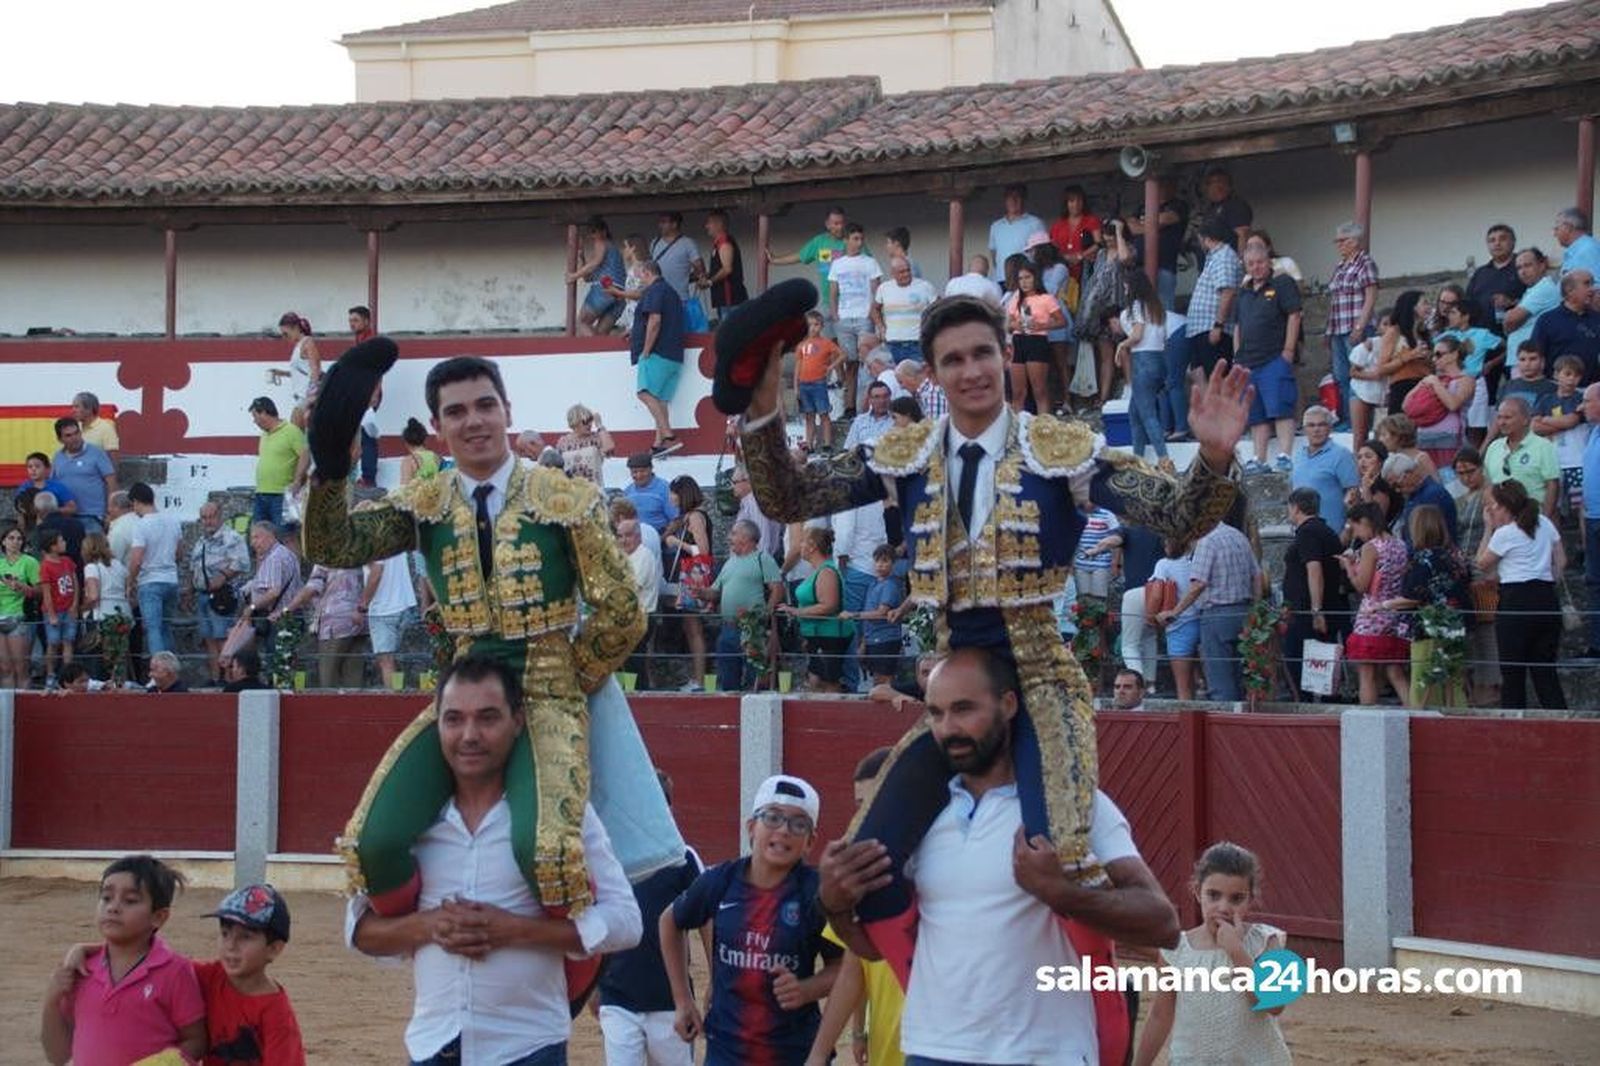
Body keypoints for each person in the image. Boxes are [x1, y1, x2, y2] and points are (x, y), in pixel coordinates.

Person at [739, 291, 1245, 918]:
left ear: (1006, 355)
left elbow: (1177, 514)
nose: (972, 370)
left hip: (1041, 679)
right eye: (953, 360)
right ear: (932, 372)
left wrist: (1215, 458)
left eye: (983, 353)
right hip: (954, 686)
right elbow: (789, 499)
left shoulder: (1060, 449)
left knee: (1061, 858)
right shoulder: (906, 453)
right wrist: (762, 415)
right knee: (864, 864)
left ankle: (1097, 1007)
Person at [306, 350, 679, 919]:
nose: (473, 420)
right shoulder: (424, 504)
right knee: (371, 845)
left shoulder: (565, 499)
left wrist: (569, 676)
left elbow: (622, 610)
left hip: (547, 691)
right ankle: (439, 950)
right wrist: (331, 467)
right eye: (456, 411)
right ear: (438, 427)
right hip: (463, 695)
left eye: (485, 405)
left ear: (507, 411)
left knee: (548, 854)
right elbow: (334, 547)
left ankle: (570, 975)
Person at [820, 648, 1178, 1066]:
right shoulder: (918, 817)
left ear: (1008, 705)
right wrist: (836, 908)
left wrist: (1063, 894)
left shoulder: (1075, 806)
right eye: (935, 713)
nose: (948, 728)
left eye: (964, 709)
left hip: (1045, 1053)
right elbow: (876, 949)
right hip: (933, 1049)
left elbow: (1163, 923)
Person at [347, 655, 643, 1065]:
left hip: (528, 1047)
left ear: (518, 721)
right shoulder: (413, 821)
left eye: (487, 718)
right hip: (433, 1045)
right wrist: (429, 925)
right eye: (453, 720)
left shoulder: (560, 814)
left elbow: (628, 922)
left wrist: (515, 930)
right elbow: (360, 933)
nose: (469, 735)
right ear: (437, 724)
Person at [662, 774, 841, 1066]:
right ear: (751, 828)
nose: (783, 831)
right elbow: (670, 921)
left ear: (810, 842)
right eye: (772, 818)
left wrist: (808, 989)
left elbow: (844, 967)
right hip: (726, 1050)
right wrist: (682, 1000)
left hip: (793, 1052)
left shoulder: (817, 893)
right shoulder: (720, 881)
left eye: (798, 824)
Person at [1133, 842, 1291, 1066]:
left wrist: (1236, 951)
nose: (1224, 907)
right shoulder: (1177, 950)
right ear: (1198, 892)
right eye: (1214, 895)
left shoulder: (1267, 940)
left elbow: (1274, 1005)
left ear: (1251, 899)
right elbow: (1160, 1016)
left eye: (1236, 898)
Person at [40, 855, 206, 1066]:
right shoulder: (82, 969)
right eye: (106, 897)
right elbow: (59, 1056)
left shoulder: (175, 971)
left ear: (159, 917)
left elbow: (197, 1040)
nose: (113, 907)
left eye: (130, 901)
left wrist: (165, 1062)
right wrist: (51, 1002)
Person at [597, 771, 705, 1066]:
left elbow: (709, 919)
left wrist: (717, 981)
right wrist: (594, 986)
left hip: (670, 1000)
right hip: (617, 997)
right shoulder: (606, 857)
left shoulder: (682, 857)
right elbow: (595, 918)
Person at [804, 748, 905, 1066]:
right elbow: (854, 968)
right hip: (886, 1048)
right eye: (861, 806)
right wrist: (825, 1050)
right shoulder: (861, 878)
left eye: (877, 801)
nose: (866, 816)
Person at [1477, 480, 1567, 709]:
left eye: (1493, 506)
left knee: (1513, 673)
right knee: (1545, 672)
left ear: (1503, 506)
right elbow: (1561, 561)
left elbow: (1482, 563)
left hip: (1516, 601)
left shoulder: (1505, 533)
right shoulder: (1544, 523)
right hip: (1546, 597)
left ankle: (1513, 728)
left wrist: (1488, 528)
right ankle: (1560, 723)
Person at [1170, 506, 1260, 703]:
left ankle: (1225, 724)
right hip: (1244, 612)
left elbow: (1198, 584)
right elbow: (1257, 576)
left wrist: (1175, 612)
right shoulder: (1238, 536)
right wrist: (1257, 609)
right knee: (1241, 675)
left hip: (1216, 615)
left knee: (1220, 679)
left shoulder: (1207, 541)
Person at [1234, 244, 1302, 474]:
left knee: (1281, 407)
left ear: (1269, 262)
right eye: (1250, 264)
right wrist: (1237, 358)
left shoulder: (1282, 283)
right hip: (1247, 362)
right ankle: (1259, 458)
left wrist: (1289, 351)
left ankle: (1284, 455)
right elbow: (1238, 327)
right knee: (1256, 414)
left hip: (1274, 357)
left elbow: (1294, 315)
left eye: (1260, 262)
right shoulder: (1243, 292)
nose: (1256, 267)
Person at [1397, 504, 1472, 707]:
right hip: (1456, 625)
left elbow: (1411, 596)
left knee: (1423, 679)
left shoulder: (1420, 560)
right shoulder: (1456, 557)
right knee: (1453, 679)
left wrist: (1382, 605)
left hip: (1428, 628)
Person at [1339, 502, 1413, 707]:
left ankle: (1367, 719)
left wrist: (1349, 566)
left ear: (1364, 522)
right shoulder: (1399, 544)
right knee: (1395, 671)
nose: (1357, 535)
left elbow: (1361, 585)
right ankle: (1415, 714)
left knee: (1367, 672)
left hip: (1372, 615)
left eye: (1355, 528)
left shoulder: (1370, 547)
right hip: (1395, 611)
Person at [1281, 488, 1349, 700]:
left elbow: (1314, 569)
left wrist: (1316, 610)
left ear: (1296, 507)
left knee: (1300, 663)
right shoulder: (1326, 531)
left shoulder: (1307, 532)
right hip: (1323, 607)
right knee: (1322, 667)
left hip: (1307, 612)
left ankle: (1308, 707)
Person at [706, 519, 784, 693]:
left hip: (752, 628)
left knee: (754, 680)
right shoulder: (729, 563)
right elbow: (714, 592)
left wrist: (765, 613)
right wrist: (699, 592)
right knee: (727, 680)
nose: (728, 537)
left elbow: (777, 589)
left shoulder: (763, 558)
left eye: (733, 533)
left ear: (745, 537)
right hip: (728, 628)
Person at [1451, 448, 1502, 705]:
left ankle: (1489, 689)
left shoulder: (1491, 494)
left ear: (1481, 468)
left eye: (1470, 471)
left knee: (1487, 632)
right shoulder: (1463, 496)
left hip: (1486, 568)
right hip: (1468, 569)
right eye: (1460, 473)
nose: (1466, 478)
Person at [1184, 218, 1244, 426]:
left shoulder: (1225, 256)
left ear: (1206, 238)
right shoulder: (1214, 257)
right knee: (1198, 372)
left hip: (1212, 327)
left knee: (1217, 375)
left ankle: (1223, 422)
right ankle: (1210, 418)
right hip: (1200, 327)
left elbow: (1227, 291)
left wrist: (1218, 325)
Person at [780, 526, 853, 694]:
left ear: (812, 546)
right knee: (815, 680)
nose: (800, 546)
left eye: (802, 542)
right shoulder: (817, 570)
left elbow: (829, 605)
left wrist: (797, 612)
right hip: (817, 635)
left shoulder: (826, 571)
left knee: (828, 681)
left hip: (829, 635)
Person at [188, 500, 250, 686]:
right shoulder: (201, 541)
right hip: (202, 595)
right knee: (209, 639)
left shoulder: (231, 537)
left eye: (211, 517)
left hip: (222, 595)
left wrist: (223, 576)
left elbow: (243, 563)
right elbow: (195, 568)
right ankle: (216, 678)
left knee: (223, 638)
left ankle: (229, 679)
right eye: (204, 518)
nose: (208, 521)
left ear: (219, 516)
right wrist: (189, 591)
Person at [1326, 221, 1380, 428]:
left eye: (1341, 241)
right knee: (1341, 376)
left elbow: (1371, 294)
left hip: (1355, 327)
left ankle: (1361, 422)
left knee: (1358, 375)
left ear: (1354, 241)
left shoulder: (1365, 263)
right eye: (1337, 241)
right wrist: (1328, 333)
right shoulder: (1340, 266)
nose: (1338, 245)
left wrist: (1360, 326)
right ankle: (1349, 420)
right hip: (1338, 329)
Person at [632, 259, 689, 455]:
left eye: (640, 274)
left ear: (647, 272)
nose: (639, 278)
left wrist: (646, 349)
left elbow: (655, 320)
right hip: (675, 354)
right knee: (660, 399)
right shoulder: (670, 292)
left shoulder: (655, 291)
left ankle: (669, 436)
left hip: (658, 352)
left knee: (644, 393)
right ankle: (659, 443)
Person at [663, 476, 712, 691]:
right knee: (690, 627)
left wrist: (676, 542)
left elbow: (702, 551)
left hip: (694, 573)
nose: (670, 497)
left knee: (693, 629)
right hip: (691, 573)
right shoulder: (688, 517)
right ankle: (697, 677)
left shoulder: (695, 517)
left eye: (673, 493)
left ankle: (699, 680)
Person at [1114, 269, 1169, 462]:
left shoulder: (1136, 306)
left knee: (1146, 414)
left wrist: (1122, 344)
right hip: (1159, 359)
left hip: (1142, 360)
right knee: (1135, 413)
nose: (1125, 289)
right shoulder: (1156, 307)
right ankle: (1138, 458)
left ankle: (1164, 459)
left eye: (1126, 285)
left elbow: (1137, 336)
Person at [829, 222, 883, 414]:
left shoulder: (870, 262)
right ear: (846, 240)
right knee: (850, 363)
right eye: (855, 238)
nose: (859, 243)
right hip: (844, 318)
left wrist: (874, 314)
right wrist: (835, 314)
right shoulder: (838, 263)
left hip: (863, 317)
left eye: (861, 238)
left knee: (868, 363)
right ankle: (849, 407)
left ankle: (869, 406)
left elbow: (877, 290)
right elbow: (833, 290)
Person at [287, 564, 367, 689]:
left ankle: (331, 707)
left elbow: (312, 588)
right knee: (353, 680)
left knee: (328, 679)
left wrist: (287, 609)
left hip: (333, 623)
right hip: (359, 621)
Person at [125, 482, 183, 656]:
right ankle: (171, 668)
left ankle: (157, 670)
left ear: (136, 501)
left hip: (150, 581)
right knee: (166, 627)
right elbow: (180, 554)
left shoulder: (141, 525)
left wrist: (130, 581)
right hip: (171, 579)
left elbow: (136, 559)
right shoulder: (173, 521)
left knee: (153, 629)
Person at [1534, 354, 1592, 519]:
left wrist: (1545, 419)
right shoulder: (1546, 400)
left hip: (1577, 461)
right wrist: (1555, 424)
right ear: (1556, 374)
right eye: (1567, 374)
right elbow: (1534, 427)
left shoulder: (1581, 398)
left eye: (1576, 375)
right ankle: (1555, 544)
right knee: (1553, 507)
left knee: (1582, 507)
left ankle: (1585, 544)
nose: (1571, 379)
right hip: (1553, 462)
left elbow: (1571, 421)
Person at [1484, 395, 1561, 518]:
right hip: (1503, 524)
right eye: (1499, 417)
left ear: (1525, 420)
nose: (1501, 422)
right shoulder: (1494, 447)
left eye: (1507, 418)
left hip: (1534, 520)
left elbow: (1552, 485)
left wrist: (1545, 520)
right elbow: (1488, 486)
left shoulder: (1543, 446)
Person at [842, 543, 905, 686]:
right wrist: (864, 644)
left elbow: (880, 613)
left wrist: (853, 615)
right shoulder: (873, 584)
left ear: (893, 564)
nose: (880, 565)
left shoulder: (890, 585)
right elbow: (869, 618)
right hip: (873, 640)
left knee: (883, 683)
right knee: (876, 684)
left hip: (886, 640)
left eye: (885, 561)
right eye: (877, 561)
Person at [768, 206, 848, 312]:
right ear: (828, 225)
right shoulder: (819, 242)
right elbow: (800, 256)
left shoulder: (851, 240)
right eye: (836, 224)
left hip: (850, 303)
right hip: (828, 303)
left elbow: (868, 264)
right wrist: (775, 260)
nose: (840, 227)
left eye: (842, 223)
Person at [1291, 405, 1358, 532]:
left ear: (1330, 428)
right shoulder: (1298, 455)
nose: (1316, 429)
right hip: (1303, 533)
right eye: (1311, 425)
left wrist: (1348, 530)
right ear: (1304, 430)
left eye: (1321, 425)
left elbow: (1353, 495)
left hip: (1332, 532)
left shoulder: (1341, 455)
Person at [1125, 174, 1187, 309]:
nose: (1162, 187)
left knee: (1163, 310)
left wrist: (1143, 223)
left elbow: (1165, 219)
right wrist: (1153, 226)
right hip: (1139, 267)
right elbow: (1129, 226)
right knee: (1138, 309)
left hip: (1164, 267)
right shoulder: (1143, 206)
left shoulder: (1178, 205)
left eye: (1166, 184)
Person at [1151, 537, 1201, 700]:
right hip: (1203, 620)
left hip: (1179, 625)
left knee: (1183, 687)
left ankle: (1187, 722)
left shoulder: (1163, 564)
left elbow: (1157, 594)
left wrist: (1151, 618)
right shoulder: (1198, 561)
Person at [361, 551, 418, 691]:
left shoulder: (372, 541)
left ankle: (393, 701)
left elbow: (376, 572)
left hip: (384, 608)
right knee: (400, 660)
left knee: (386, 661)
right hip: (405, 603)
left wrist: (363, 604)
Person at [249, 397, 308, 529]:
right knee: (260, 533)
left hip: (280, 495)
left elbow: (305, 455)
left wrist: (297, 480)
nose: (254, 421)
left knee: (284, 535)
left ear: (264, 413)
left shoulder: (291, 431)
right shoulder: (264, 435)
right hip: (261, 493)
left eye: (255, 416)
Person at [1531, 269, 1600, 381]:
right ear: (1569, 289)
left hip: (1592, 392)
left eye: (1593, 284)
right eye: (1587, 283)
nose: (1593, 289)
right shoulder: (1547, 320)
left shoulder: (1598, 319)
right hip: (1557, 391)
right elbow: (1536, 356)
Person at [52, 417, 117, 534]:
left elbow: (111, 481)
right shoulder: (57, 457)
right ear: (60, 439)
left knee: (93, 551)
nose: (74, 438)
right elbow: (53, 485)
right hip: (66, 517)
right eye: (68, 435)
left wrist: (110, 512)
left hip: (92, 516)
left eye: (76, 433)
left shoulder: (96, 453)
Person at [794, 310, 845, 452]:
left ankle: (826, 444)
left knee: (823, 414)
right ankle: (809, 444)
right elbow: (798, 366)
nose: (813, 328)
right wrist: (796, 386)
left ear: (821, 326)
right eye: (810, 325)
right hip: (804, 384)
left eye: (816, 324)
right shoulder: (801, 345)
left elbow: (842, 355)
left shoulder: (826, 343)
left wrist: (831, 367)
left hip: (818, 383)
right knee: (809, 416)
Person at [1384, 451, 1458, 549]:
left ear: (1408, 474)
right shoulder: (1414, 496)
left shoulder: (1432, 495)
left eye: (1397, 485)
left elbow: (1427, 539)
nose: (1397, 490)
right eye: (1393, 488)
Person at [568, 216, 626, 336]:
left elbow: (595, 263)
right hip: (620, 295)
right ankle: (598, 351)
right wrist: (580, 254)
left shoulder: (601, 243)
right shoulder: (613, 251)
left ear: (604, 232)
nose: (592, 236)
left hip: (604, 290)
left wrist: (574, 276)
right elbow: (587, 277)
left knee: (582, 322)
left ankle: (591, 351)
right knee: (601, 334)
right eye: (590, 233)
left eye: (594, 232)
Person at [873, 255, 938, 363]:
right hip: (892, 344)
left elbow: (938, 308)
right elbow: (874, 309)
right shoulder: (884, 288)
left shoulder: (924, 286)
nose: (906, 274)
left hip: (917, 343)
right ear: (893, 274)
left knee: (917, 377)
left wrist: (930, 329)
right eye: (902, 272)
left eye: (908, 270)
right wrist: (881, 327)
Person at [1503, 246, 1561, 366]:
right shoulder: (1533, 289)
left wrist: (1509, 321)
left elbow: (1510, 320)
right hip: (1523, 361)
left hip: (1530, 363)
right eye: (1519, 268)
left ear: (1542, 265)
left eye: (1528, 265)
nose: (1523, 272)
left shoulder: (1544, 288)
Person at [37, 527, 78, 689]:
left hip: (68, 609)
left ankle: (67, 675)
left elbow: (75, 583)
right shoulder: (45, 566)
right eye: (61, 540)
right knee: (53, 643)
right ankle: (51, 675)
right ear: (52, 545)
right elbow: (46, 593)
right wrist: (52, 614)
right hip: (53, 611)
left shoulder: (68, 562)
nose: (64, 543)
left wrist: (74, 604)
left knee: (68, 641)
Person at [0, 525, 37, 690]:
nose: (15, 542)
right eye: (11, 538)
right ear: (3, 541)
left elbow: (40, 591)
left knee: (21, 668)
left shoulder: (29, 562)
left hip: (19, 616)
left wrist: (21, 586)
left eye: (19, 539)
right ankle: (7, 711)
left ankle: (25, 708)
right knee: (5, 669)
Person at [988, 182, 1047, 283]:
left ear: (1024, 199)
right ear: (1005, 200)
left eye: (1017, 197)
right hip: (1001, 279)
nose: (1013, 201)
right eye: (1010, 197)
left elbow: (1043, 254)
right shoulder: (996, 226)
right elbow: (994, 256)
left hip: (1026, 282)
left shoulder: (1035, 223)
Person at [1048, 184, 1101, 294]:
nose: (1076, 204)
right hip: (1063, 271)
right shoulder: (1057, 225)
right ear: (1066, 203)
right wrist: (1065, 257)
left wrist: (1080, 255)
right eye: (1072, 201)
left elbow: (1099, 243)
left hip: (1086, 270)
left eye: (1079, 200)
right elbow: (1051, 249)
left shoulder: (1091, 220)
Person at [700, 209, 748, 320]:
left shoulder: (724, 242)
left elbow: (727, 269)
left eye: (709, 223)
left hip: (730, 298)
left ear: (719, 224)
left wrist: (709, 282)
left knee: (729, 331)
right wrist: (708, 275)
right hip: (724, 299)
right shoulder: (718, 243)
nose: (707, 226)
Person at [273, 312, 320, 426]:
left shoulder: (307, 343)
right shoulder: (299, 345)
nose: (284, 338)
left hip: (306, 396)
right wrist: (283, 373)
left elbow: (315, 369)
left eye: (286, 333)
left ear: (295, 328)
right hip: (301, 395)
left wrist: (311, 397)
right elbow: (304, 371)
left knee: (295, 431)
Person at [1581, 383, 1600, 659]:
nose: (1581, 406)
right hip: (1593, 517)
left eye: (1586, 400)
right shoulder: (1593, 432)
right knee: (1595, 582)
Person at [1196, 165, 1253, 257]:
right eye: (1210, 183)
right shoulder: (1210, 208)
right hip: (1211, 264)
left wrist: (1241, 262)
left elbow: (1243, 234)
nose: (1214, 186)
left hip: (1228, 263)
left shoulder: (1235, 205)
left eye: (1219, 182)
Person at [554, 404, 614, 487]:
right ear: (575, 422)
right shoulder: (563, 442)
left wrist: (599, 425)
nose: (589, 424)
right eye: (585, 421)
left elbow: (609, 448)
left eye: (590, 420)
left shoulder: (596, 439)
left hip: (594, 491)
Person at [625, 453, 678, 533]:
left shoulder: (665, 489)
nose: (639, 475)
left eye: (642, 471)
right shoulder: (628, 492)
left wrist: (660, 539)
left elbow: (676, 520)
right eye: (634, 472)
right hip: (635, 538)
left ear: (651, 469)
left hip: (661, 536)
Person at [1554, 207, 1600, 279]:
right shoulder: (1578, 250)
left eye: (1557, 229)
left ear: (1568, 228)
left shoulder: (1588, 250)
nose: (1554, 234)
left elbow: (1594, 287)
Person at [71, 391, 120, 459]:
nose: (72, 410)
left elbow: (113, 461)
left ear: (89, 409)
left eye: (77, 407)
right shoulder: (75, 428)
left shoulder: (106, 428)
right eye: (73, 407)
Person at [400, 417, 441, 484]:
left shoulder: (408, 461)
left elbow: (404, 489)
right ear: (424, 439)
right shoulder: (437, 457)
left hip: (417, 494)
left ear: (406, 442)